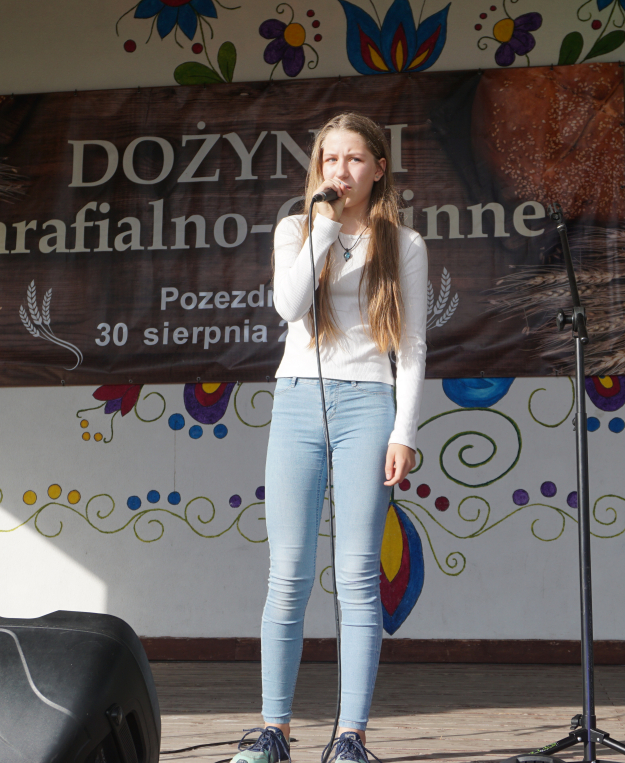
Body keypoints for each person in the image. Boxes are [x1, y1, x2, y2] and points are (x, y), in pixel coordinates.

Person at [232, 113, 428, 763]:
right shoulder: (295, 229)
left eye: (353, 159)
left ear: (378, 169)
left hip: (369, 403)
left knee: (357, 575)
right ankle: (275, 730)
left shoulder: (404, 244)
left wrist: (403, 431)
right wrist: (321, 226)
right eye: (329, 159)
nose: (340, 171)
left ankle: (351, 735)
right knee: (288, 573)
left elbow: (412, 346)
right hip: (296, 401)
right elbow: (289, 307)